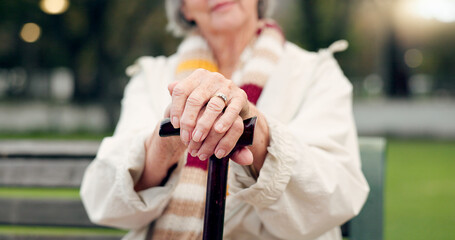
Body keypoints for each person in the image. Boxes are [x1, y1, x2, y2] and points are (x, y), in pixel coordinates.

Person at [80, 0, 369, 239]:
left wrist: (257, 133)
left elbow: (335, 195)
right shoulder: (151, 76)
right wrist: (165, 142)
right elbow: (104, 201)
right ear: (184, 8)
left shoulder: (316, 73)